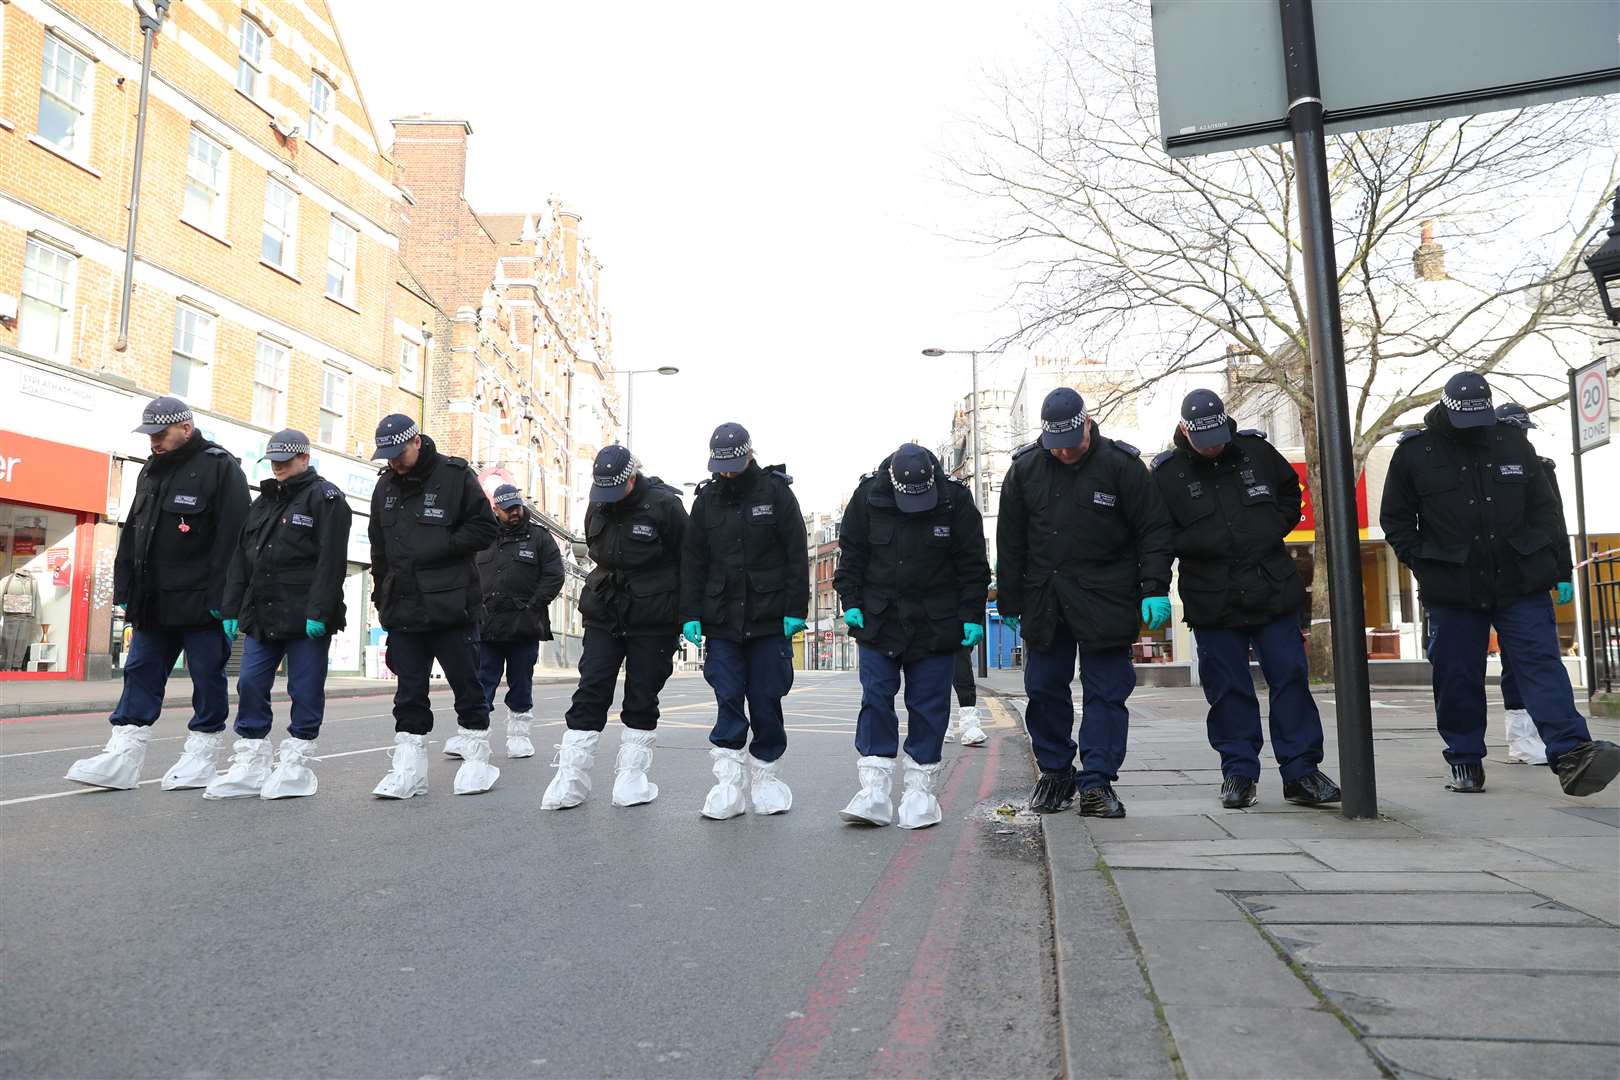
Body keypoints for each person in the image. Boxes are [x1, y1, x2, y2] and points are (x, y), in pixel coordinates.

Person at [1381, 372, 1619, 797]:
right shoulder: (1416, 453)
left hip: (1519, 581)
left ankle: (1570, 753)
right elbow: (1396, 520)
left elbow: (1545, 509)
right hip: (1452, 585)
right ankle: (1465, 758)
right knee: (1457, 675)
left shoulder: (1512, 443)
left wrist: (1547, 562)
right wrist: (1421, 562)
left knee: (1541, 665)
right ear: (1448, 409)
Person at [1150, 390, 1341, 809]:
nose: (1214, 445)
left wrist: (1271, 526)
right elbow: (1157, 538)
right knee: (1229, 689)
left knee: (1290, 679)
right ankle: (1238, 773)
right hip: (1212, 599)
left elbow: (1292, 493)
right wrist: (1154, 589)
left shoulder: (1256, 452)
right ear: (1185, 430)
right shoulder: (1167, 475)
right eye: (1204, 439)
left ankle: (1302, 772)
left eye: (1218, 435)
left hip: (1270, 588)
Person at [996, 387, 1173, 818]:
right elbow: (1011, 541)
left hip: (1107, 598)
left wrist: (1154, 587)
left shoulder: (1121, 466)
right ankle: (1055, 773)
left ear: (1087, 424)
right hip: (1046, 599)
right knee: (1043, 690)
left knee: (1106, 693)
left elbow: (1154, 529)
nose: (1064, 454)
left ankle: (1097, 782)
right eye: (1055, 447)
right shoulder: (1025, 470)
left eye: (1071, 445)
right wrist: (1010, 599)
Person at [67, 397, 249, 791]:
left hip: (203, 603)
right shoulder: (150, 470)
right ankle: (123, 757)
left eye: (160, 434)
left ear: (186, 427)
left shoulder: (221, 468)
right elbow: (134, 530)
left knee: (206, 677)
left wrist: (227, 600)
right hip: (153, 601)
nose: (153, 442)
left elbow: (236, 540)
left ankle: (202, 754)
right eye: (149, 434)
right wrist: (125, 587)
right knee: (139, 674)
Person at [834, 442, 991, 829]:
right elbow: (850, 556)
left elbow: (973, 564)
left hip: (935, 623)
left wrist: (972, 615)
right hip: (879, 619)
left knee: (929, 706)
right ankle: (873, 791)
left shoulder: (955, 500)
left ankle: (920, 792)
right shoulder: (867, 496)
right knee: (876, 701)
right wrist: (850, 600)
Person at [208, 430, 351, 799]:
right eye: (274, 461)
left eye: (286, 460)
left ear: (305, 457)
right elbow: (242, 558)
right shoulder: (264, 500)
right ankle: (253, 759)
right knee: (250, 683)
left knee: (303, 688)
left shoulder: (327, 498)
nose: (279, 467)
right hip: (262, 611)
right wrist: (232, 606)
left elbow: (331, 562)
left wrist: (319, 610)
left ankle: (296, 762)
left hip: (306, 616)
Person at [542, 446, 687, 810]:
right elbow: (595, 549)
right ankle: (571, 779)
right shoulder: (599, 502)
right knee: (591, 687)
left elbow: (691, 561)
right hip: (606, 609)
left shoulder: (665, 505)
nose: (606, 498)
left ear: (632, 478)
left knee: (641, 694)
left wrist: (689, 615)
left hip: (653, 615)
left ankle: (632, 780)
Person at [367, 415, 501, 798]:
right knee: (408, 691)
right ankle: (409, 770)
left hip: (450, 605)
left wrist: (439, 545)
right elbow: (379, 547)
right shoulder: (385, 487)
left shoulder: (455, 476)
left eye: (397, 453)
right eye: (386, 456)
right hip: (403, 605)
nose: (392, 462)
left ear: (415, 442)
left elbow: (485, 529)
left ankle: (477, 758)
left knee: (466, 684)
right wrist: (380, 595)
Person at [680, 423, 809, 819]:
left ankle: (766, 779)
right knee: (727, 696)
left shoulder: (776, 493)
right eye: (722, 466)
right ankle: (728, 785)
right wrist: (690, 614)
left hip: (769, 618)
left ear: (750, 454)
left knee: (767, 698)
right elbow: (693, 561)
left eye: (734, 464)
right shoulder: (706, 500)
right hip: (721, 620)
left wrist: (795, 609)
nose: (728, 473)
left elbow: (796, 553)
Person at [467, 484, 565, 760]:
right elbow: (468, 575)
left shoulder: (539, 538)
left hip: (524, 624)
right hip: (487, 624)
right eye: (508, 508)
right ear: (495, 509)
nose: (514, 512)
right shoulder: (483, 538)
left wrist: (533, 605)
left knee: (521, 680)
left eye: (517, 506)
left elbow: (554, 575)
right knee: (482, 680)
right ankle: (476, 736)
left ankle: (519, 737)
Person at [1491, 401, 1558, 765]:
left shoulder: (1540, 467)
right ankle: (1520, 737)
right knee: (1513, 663)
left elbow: (1553, 524)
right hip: (1494, 574)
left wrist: (1559, 573)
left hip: (1529, 574)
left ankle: (1538, 736)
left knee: (1535, 658)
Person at [944, 647, 988, 746]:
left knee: (963, 673)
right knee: (935, 678)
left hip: (958, 635)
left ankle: (970, 726)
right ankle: (942, 725)